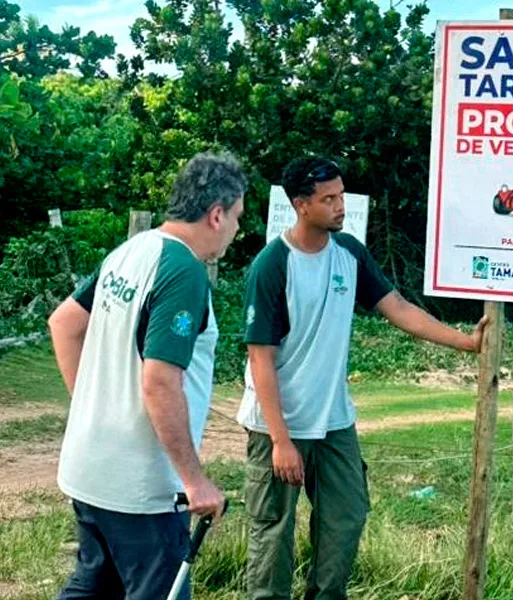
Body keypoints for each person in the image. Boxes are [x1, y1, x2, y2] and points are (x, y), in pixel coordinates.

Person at [239, 157, 487, 600]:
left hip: (334, 421)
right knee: (273, 532)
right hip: (278, 424)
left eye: (341, 195)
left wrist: (466, 343)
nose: (340, 206)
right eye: (328, 199)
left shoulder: (349, 253)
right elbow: (260, 360)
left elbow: (398, 309)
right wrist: (280, 441)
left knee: (346, 519)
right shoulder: (272, 265)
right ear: (301, 205)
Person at [48, 151, 246, 599]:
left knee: (93, 586)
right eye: (236, 217)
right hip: (142, 487)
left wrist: (93, 409)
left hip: (90, 466)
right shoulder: (183, 271)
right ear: (216, 214)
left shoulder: (132, 250)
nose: (237, 229)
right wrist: (194, 482)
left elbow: (62, 323)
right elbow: (160, 380)